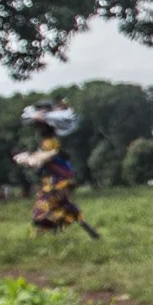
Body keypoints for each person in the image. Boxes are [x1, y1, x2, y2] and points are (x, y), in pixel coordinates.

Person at [13, 102, 98, 239]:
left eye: (39, 126)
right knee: (65, 206)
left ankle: (39, 237)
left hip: (57, 181)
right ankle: (93, 235)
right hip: (58, 180)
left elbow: (45, 157)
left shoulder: (50, 142)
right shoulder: (49, 141)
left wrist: (26, 159)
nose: (37, 129)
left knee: (43, 211)